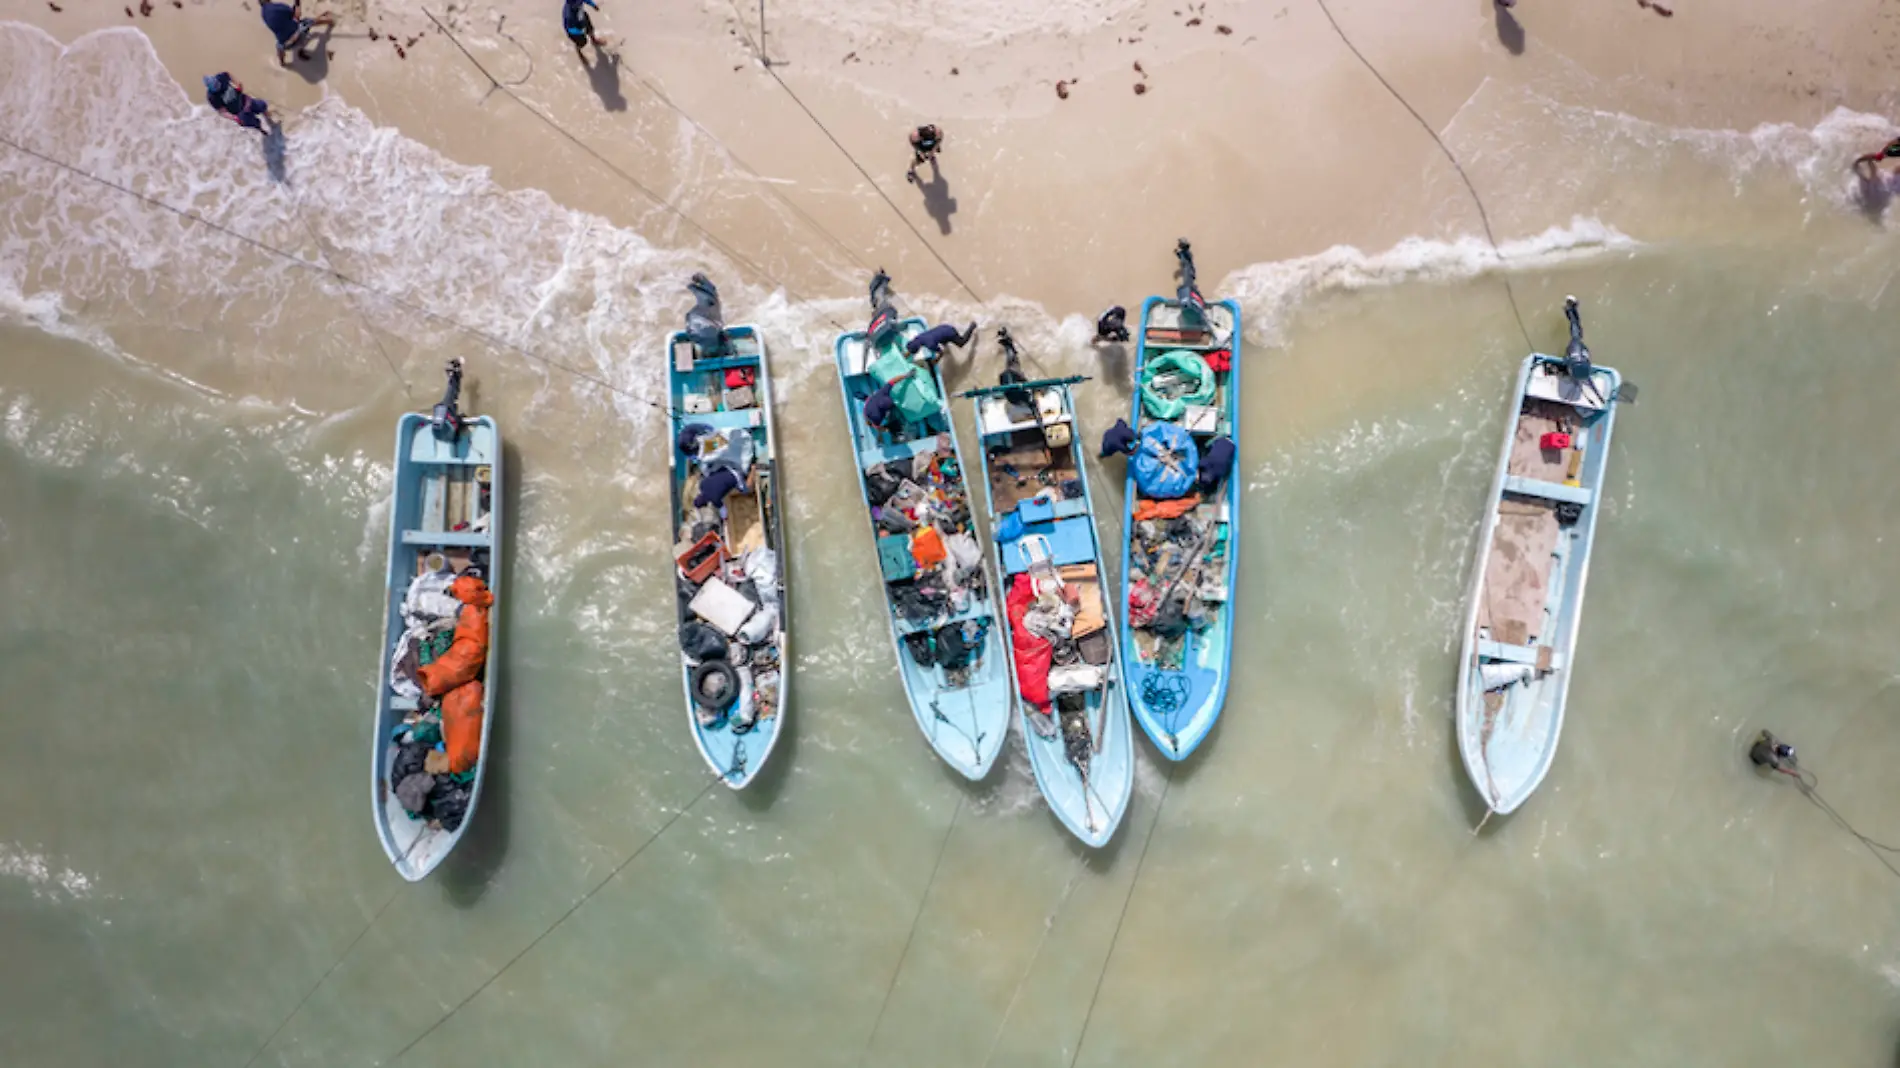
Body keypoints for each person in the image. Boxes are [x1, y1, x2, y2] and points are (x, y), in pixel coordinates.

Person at [259, 1, 334, 66]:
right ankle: (330, 21)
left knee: (279, 46)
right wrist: (297, 3)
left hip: (286, 44)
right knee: (308, 22)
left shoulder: (263, 15)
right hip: (299, 34)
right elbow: (297, 15)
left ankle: (282, 62)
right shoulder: (279, 7)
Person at [203, 73, 276, 133]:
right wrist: (234, 117)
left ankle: (269, 119)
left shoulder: (221, 77)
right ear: (210, 89)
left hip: (245, 100)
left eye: (217, 84)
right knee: (255, 123)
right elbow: (222, 111)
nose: (217, 87)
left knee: (262, 105)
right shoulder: (212, 97)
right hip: (239, 112)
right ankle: (262, 131)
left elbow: (229, 75)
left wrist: (237, 84)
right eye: (215, 87)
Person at [905, 321, 978, 363]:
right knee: (943, 342)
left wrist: (936, 360)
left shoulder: (930, 345)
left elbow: (941, 353)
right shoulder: (918, 337)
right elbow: (913, 345)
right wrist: (908, 352)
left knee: (961, 343)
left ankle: (972, 326)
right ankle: (947, 340)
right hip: (943, 328)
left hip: (950, 332)